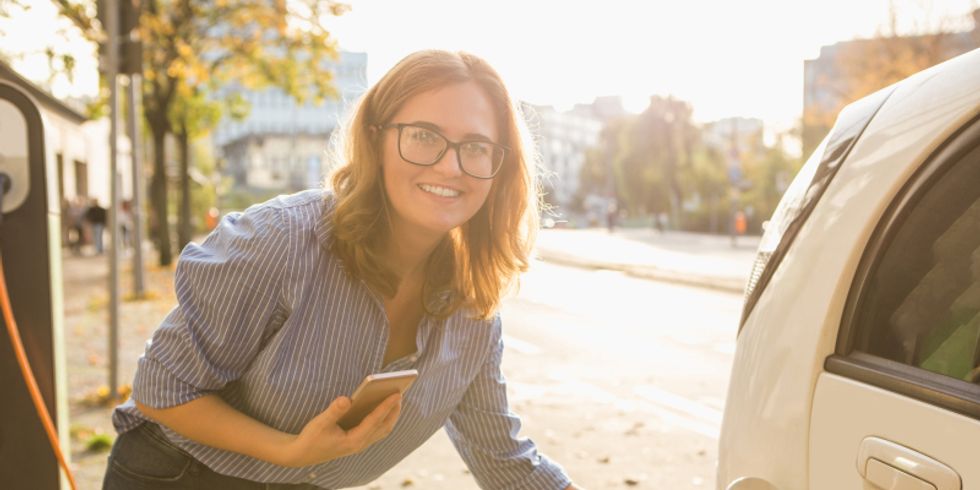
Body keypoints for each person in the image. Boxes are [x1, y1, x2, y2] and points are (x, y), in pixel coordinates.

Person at [103, 50, 580, 490]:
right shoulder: (282, 241)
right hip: (177, 474)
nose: (450, 165)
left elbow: (502, 458)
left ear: (501, 168)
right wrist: (287, 451)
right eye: (424, 136)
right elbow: (161, 390)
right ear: (376, 138)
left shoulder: (474, 308)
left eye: (476, 146)